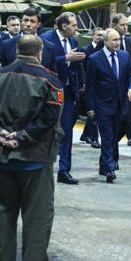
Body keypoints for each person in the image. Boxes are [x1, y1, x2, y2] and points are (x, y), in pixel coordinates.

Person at [0, 34, 64, 261]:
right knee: (37, 215)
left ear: (17, 50)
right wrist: (22, 137)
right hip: (36, 159)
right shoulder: (50, 81)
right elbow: (49, 118)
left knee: (3, 211)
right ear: (40, 52)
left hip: (2, 158)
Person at [85, 29, 131, 183]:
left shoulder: (124, 56)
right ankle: (109, 168)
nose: (117, 43)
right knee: (107, 137)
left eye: (119, 40)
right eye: (114, 40)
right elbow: (90, 85)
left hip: (121, 104)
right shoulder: (95, 59)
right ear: (105, 41)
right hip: (103, 105)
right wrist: (90, 107)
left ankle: (104, 164)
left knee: (114, 136)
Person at [42, 12, 86, 185]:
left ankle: (64, 170)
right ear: (64, 26)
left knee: (66, 131)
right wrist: (65, 58)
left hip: (68, 92)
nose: (76, 28)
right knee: (46, 131)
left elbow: (76, 66)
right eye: (74, 25)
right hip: (49, 92)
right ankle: (42, 168)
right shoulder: (46, 39)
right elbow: (43, 62)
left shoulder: (73, 41)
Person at [0, 7, 57, 72]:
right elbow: (1, 71)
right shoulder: (7, 45)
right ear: (21, 22)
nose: (28, 24)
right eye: (26, 20)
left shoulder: (49, 47)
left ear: (38, 24)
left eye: (32, 21)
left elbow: (52, 74)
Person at [112, 14, 131, 146]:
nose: (125, 27)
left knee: (127, 117)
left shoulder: (130, 42)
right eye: (122, 25)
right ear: (115, 25)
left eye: (127, 25)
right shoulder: (105, 42)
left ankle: (125, 137)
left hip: (127, 87)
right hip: (111, 87)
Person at [78, 27, 104, 148]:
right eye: (98, 35)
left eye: (102, 35)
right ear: (93, 36)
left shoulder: (103, 50)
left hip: (99, 84)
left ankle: (88, 135)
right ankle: (93, 138)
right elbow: (81, 68)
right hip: (88, 84)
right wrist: (83, 83)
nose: (100, 37)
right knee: (91, 111)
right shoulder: (85, 50)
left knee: (95, 112)